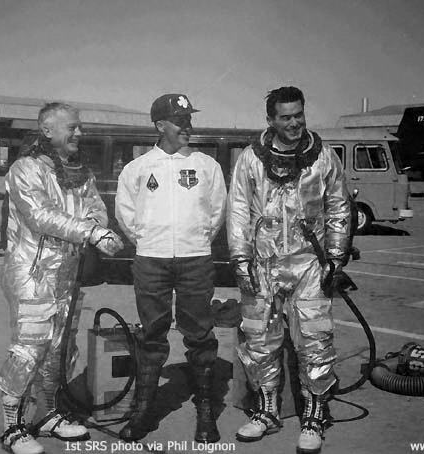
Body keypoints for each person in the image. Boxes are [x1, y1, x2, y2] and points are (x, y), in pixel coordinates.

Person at [227, 86, 353, 454]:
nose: (295, 122)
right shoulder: (251, 159)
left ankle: (314, 417)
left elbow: (339, 206)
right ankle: (267, 412)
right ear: (271, 120)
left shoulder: (323, 157)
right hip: (263, 263)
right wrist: (240, 259)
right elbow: (237, 210)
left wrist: (334, 256)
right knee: (259, 340)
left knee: (314, 339)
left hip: (309, 264)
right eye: (286, 117)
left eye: (299, 114)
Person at [0, 102, 124, 454]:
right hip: (32, 273)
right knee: (30, 348)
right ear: (48, 130)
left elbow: (97, 208)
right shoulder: (25, 169)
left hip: (67, 274)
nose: (79, 133)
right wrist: (91, 234)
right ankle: (13, 428)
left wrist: (98, 225)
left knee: (58, 350)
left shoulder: (79, 171)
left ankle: (49, 413)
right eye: (72, 127)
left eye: (79, 127)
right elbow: (40, 216)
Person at [115, 94, 227, 443]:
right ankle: (145, 410)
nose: (187, 126)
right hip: (151, 259)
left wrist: (195, 241)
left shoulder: (207, 165)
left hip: (195, 259)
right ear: (160, 125)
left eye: (189, 118)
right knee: (152, 334)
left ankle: (206, 412)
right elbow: (126, 214)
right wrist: (150, 241)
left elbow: (216, 213)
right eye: (180, 120)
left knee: (200, 334)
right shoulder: (138, 168)